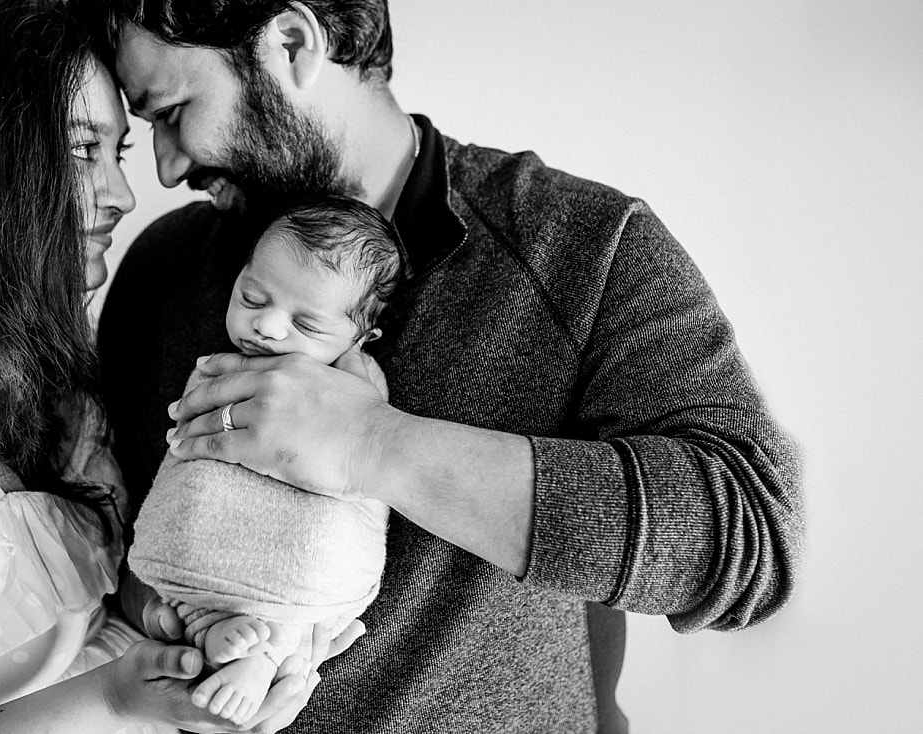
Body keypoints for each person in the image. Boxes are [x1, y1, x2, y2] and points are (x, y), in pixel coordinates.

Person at [81, 1, 807, 732]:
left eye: (171, 111)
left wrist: (373, 444)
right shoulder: (159, 270)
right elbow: (128, 550)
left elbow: (751, 537)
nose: (167, 167)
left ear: (293, 43)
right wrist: (165, 617)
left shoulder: (582, 248)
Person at [0, 1, 357, 732]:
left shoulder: (41, 377)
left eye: (118, 153)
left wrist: (204, 634)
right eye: (82, 150)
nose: (125, 195)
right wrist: (117, 700)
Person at [128, 195, 399, 726]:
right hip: (202, 559)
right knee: (177, 608)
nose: (268, 327)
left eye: (308, 324)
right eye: (252, 297)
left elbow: (360, 474)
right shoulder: (217, 361)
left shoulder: (356, 387)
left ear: (359, 339)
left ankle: (261, 658)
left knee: (293, 599)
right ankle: (209, 629)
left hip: (289, 566)